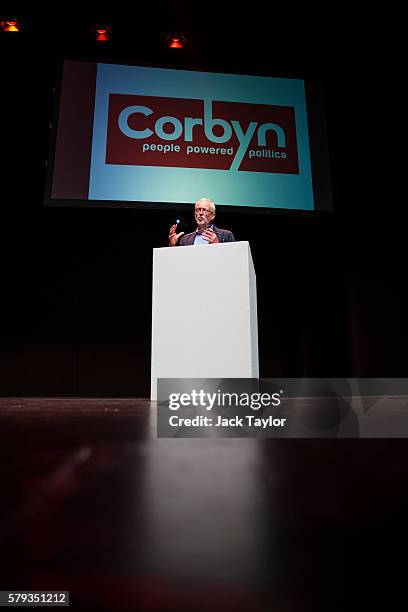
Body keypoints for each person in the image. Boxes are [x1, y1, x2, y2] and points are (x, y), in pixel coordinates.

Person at [168, 198, 235, 246]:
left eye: (204, 210)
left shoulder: (226, 235)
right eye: (198, 210)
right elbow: (180, 260)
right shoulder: (185, 239)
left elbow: (233, 259)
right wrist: (172, 245)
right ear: (195, 215)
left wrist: (217, 247)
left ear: (212, 216)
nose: (200, 213)